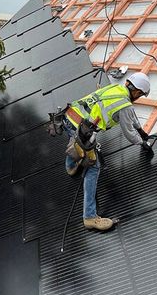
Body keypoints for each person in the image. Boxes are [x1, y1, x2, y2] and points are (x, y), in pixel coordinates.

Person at [63, 72, 152, 231]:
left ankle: (70, 166)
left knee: (73, 142)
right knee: (93, 167)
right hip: (82, 129)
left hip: (69, 115)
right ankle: (89, 217)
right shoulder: (124, 104)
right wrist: (142, 142)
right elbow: (129, 134)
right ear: (137, 92)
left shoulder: (116, 88)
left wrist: (141, 130)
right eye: (140, 95)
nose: (139, 98)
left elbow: (131, 117)